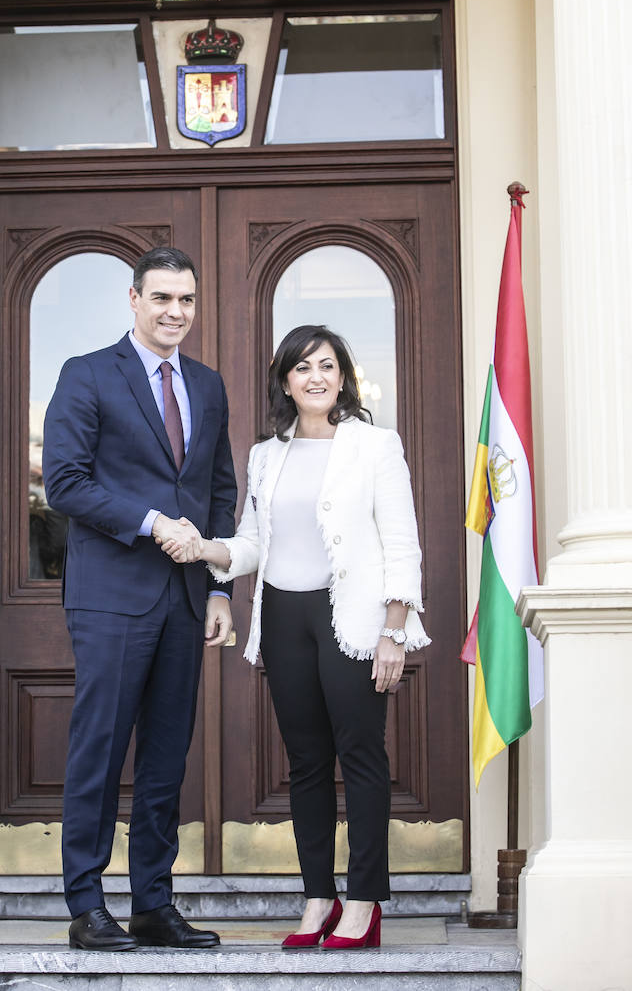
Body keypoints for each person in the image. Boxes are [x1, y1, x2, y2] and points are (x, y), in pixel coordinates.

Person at [155, 324, 430, 951]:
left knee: (360, 757)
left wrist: (394, 630)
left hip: (354, 621)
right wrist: (207, 550)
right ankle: (317, 900)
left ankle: (362, 903)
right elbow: (253, 542)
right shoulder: (266, 455)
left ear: (342, 378)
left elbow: (402, 543)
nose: (316, 377)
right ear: (285, 380)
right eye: (303, 368)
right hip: (282, 617)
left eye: (327, 366)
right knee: (306, 765)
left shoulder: (375, 447)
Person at [43, 246, 237, 951]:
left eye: (186, 300)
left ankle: (154, 901)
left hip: (187, 599)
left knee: (166, 755)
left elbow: (219, 490)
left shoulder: (209, 386)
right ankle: (86, 903)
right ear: (133, 300)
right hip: (111, 596)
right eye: (161, 299)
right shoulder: (88, 374)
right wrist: (153, 523)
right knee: (99, 747)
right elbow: (63, 483)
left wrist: (220, 586)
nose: (175, 313)